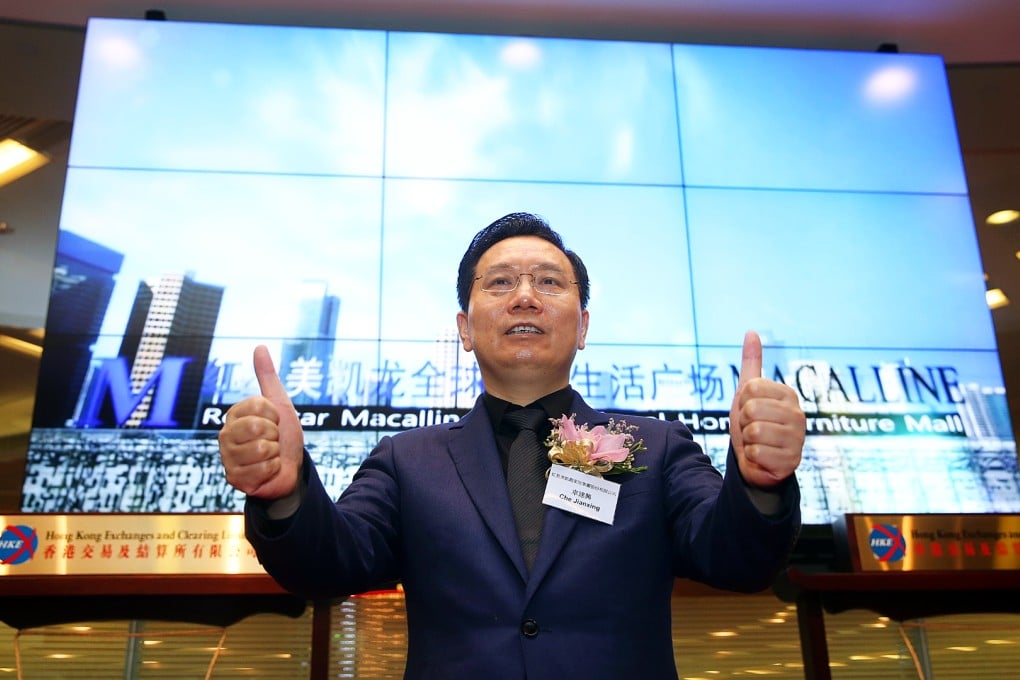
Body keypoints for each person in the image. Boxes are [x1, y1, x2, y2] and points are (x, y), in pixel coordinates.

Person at [218, 212, 805, 679]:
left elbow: (739, 559)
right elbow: (329, 566)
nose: (525, 296)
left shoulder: (655, 445)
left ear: (582, 327)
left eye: (549, 282)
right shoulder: (407, 461)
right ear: (465, 329)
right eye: (500, 283)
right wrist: (285, 492)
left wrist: (760, 484)